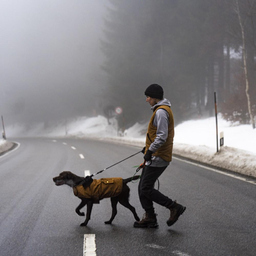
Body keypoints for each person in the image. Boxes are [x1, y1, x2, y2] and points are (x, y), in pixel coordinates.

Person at [134, 84, 186, 228]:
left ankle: (174, 207)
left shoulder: (161, 112)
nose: (147, 100)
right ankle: (150, 217)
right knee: (142, 187)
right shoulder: (161, 110)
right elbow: (157, 134)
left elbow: (162, 136)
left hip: (159, 156)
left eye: (148, 97)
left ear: (155, 97)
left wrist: (150, 150)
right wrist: (148, 147)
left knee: (145, 188)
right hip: (156, 154)